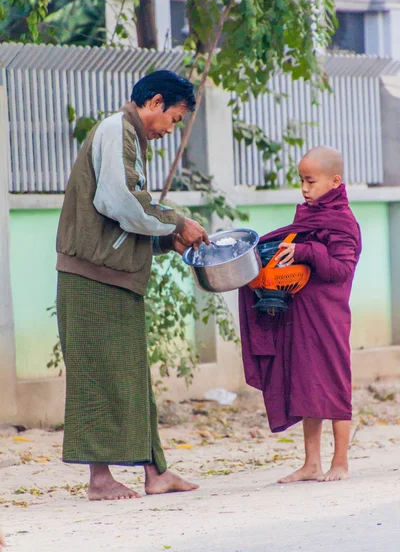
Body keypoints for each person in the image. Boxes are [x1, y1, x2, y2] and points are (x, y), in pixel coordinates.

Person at [56, 70, 209, 501]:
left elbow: (122, 217)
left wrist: (168, 239)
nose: (171, 129)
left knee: (130, 377)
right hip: (90, 277)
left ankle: (154, 471)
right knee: (96, 378)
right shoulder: (115, 130)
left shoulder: (131, 138)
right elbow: (119, 202)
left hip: (114, 276)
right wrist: (179, 221)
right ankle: (100, 480)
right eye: (175, 119)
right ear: (156, 103)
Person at [239, 146, 362, 483]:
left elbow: (340, 269)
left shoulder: (341, 221)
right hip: (302, 312)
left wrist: (305, 250)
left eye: (311, 181)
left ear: (335, 181)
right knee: (306, 384)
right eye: (301, 181)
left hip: (329, 316)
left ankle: (340, 462)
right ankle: (311, 463)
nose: (305, 189)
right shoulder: (311, 214)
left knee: (335, 382)